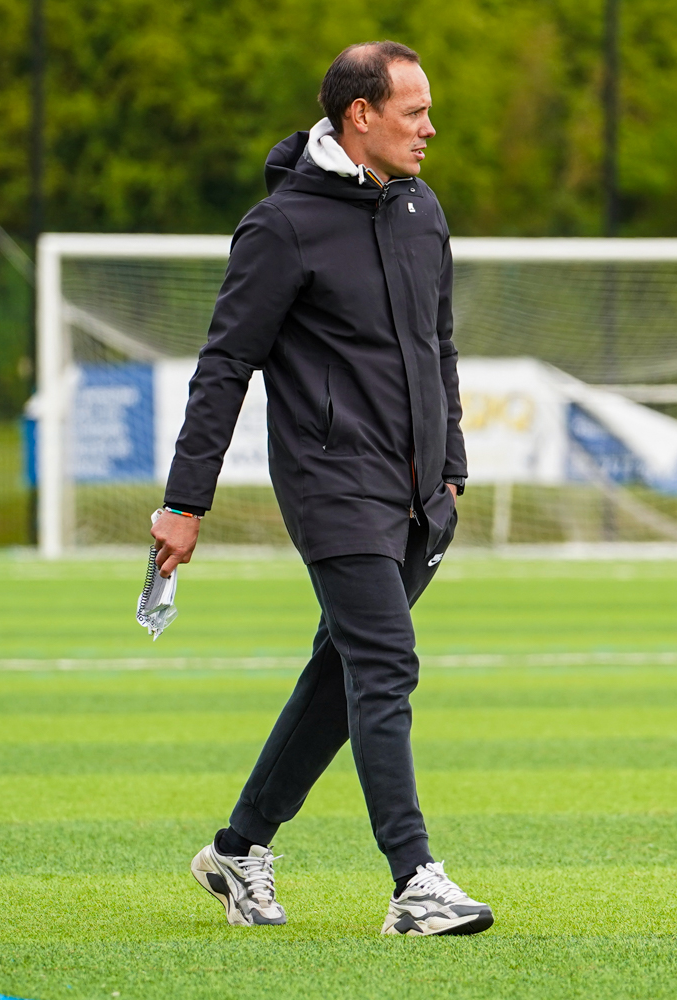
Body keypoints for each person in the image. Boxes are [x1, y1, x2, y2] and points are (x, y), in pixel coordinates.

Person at [150, 41, 491, 937]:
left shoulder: (422, 210)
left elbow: (439, 344)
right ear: (359, 116)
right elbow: (223, 368)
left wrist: (452, 464)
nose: (429, 127)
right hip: (332, 485)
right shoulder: (282, 226)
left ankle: (239, 848)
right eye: (413, 111)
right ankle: (415, 882)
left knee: (341, 669)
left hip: (421, 493)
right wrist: (185, 505)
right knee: (385, 664)